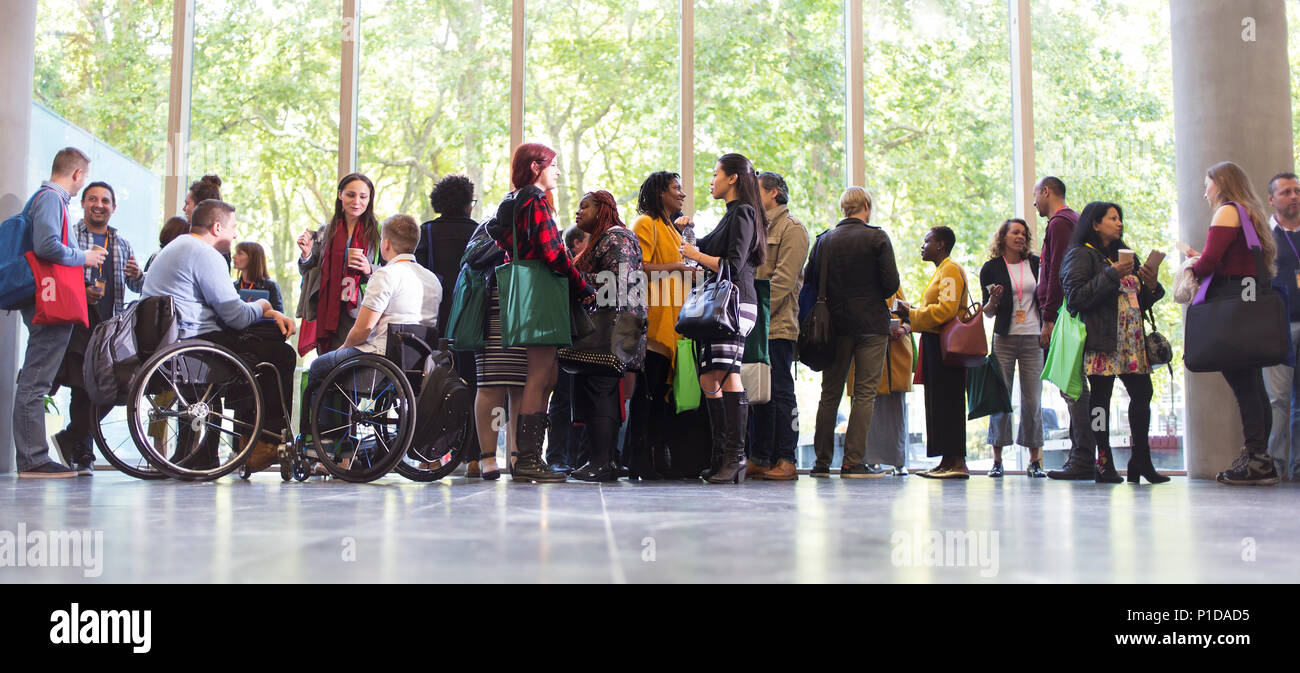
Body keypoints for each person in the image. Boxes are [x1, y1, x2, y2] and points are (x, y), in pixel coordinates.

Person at [141, 199, 297, 473]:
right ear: (216, 227)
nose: (235, 234)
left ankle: (224, 448)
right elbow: (235, 315)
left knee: (254, 340)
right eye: (232, 228)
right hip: (197, 345)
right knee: (279, 353)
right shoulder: (204, 253)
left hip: (170, 342)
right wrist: (264, 307)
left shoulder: (175, 247)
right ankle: (265, 440)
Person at [487, 143, 596, 483]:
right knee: (539, 374)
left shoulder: (511, 200)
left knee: (545, 374)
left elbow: (500, 235)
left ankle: (528, 457)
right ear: (536, 167)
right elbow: (554, 254)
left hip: (528, 294)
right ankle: (528, 460)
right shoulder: (534, 200)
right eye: (553, 165)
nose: (558, 172)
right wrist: (583, 287)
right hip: (542, 293)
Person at [12, 148, 108, 478]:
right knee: (36, 382)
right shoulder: (52, 198)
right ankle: (33, 459)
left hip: (40, 296)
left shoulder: (45, 198)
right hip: (46, 298)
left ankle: (33, 457)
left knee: (35, 380)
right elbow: (48, 246)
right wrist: (86, 257)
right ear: (78, 175)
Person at [1061, 201, 1166, 484]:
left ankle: (1140, 460)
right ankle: (1104, 461)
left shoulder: (1126, 255)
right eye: (1112, 218)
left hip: (1132, 341)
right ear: (1095, 224)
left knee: (1143, 394)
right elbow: (1076, 298)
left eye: (1120, 218)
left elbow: (1141, 301)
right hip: (1102, 339)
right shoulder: (1081, 255)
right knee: (1100, 403)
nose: (1119, 223)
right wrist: (1112, 273)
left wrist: (1152, 284)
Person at [302, 214, 440, 430]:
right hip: (419, 362)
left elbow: (363, 329)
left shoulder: (386, 275)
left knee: (320, 366)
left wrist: (342, 351)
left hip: (382, 359)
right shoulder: (433, 280)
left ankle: (329, 440)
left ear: (385, 244)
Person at [1190, 162, 1280, 486]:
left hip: (1232, 304)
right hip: (1249, 300)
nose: (1204, 191)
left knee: (1245, 386)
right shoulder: (1249, 214)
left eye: (1207, 184)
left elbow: (1210, 262)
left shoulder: (1227, 211)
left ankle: (1257, 459)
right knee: (1253, 383)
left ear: (1221, 183)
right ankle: (1260, 456)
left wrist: (1192, 262)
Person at [680, 153, 767, 484]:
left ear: (732, 178)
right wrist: (690, 237)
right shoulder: (733, 215)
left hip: (734, 304)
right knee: (710, 379)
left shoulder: (743, 213)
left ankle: (734, 458)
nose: (711, 180)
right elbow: (705, 254)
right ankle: (724, 459)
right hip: (725, 305)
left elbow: (731, 263)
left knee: (726, 375)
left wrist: (695, 253)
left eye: (715, 174)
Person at [52, 181, 144, 474]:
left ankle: (72, 437)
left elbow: (137, 285)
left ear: (113, 208)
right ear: (84, 204)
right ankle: (83, 454)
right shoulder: (70, 235)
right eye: (93, 198)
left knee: (113, 388)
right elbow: (58, 273)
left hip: (111, 329)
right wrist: (82, 289)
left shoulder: (121, 242)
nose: (99, 204)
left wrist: (138, 274)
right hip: (78, 323)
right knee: (81, 388)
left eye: (105, 200)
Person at [806, 186, 898, 478]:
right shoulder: (877, 237)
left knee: (829, 394)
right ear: (866, 208)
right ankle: (852, 463)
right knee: (864, 395)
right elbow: (890, 285)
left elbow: (808, 283)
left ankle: (821, 463)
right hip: (871, 326)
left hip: (834, 327)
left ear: (844, 209)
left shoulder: (824, 241)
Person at [568, 191, 648, 481]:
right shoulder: (604, 239)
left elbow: (619, 283)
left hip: (614, 329)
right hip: (610, 328)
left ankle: (601, 463)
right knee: (601, 391)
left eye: (584, 206)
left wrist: (575, 279)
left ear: (603, 209)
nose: (578, 212)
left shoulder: (617, 237)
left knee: (600, 390)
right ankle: (604, 460)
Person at [625, 171, 691, 480]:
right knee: (647, 393)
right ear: (660, 193)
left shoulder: (671, 229)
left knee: (661, 394)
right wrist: (675, 266)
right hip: (653, 323)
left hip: (672, 322)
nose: (682, 194)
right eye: (676, 188)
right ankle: (637, 457)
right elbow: (638, 268)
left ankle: (654, 456)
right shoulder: (645, 224)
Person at [893, 226, 969, 479]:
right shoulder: (941, 271)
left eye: (927, 241)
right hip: (936, 343)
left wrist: (911, 314)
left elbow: (946, 309)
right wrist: (912, 310)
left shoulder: (949, 270)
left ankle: (957, 461)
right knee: (938, 403)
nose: (922, 246)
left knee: (948, 402)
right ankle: (947, 460)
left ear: (941, 245)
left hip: (945, 346)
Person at [749, 171, 810, 480]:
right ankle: (760, 457)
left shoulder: (793, 229)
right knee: (758, 394)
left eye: (756, 190)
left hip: (778, 326)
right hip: (754, 325)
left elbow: (783, 282)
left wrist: (755, 314)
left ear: (774, 193)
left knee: (781, 392)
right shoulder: (756, 227)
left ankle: (786, 459)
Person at [1034, 176, 1095, 480]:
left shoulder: (1059, 224)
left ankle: (1082, 456)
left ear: (1046, 191)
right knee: (1073, 386)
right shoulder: (1074, 221)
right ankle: (1082, 454)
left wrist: (1048, 318)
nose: (1034, 203)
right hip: (1068, 311)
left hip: (1062, 314)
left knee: (1071, 386)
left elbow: (1057, 272)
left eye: (1036, 195)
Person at [979, 218, 1046, 477]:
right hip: (1004, 339)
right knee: (1000, 399)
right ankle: (997, 461)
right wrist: (993, 300)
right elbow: (987, 313)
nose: (1020, 236)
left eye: (1024, 233)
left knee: (1033, 400)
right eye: (1015, 232)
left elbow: (1048, 298)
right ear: (1003, 237)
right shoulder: (991, 268)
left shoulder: (1037, 264)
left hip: (1034, 339)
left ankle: (1035, 461)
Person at [297, 173, 382, 354]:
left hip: (361, 310)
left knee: (353, 366)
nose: (356, 201)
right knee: (329, 362)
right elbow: (308, 269)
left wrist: (369, 269)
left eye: (363, 197)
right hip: (329, 307)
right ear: (340, 195)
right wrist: (306, 254)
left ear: (369, 199)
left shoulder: (378, 232)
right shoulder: (327, 230)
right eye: (351, 195)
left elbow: (392, 272)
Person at [545, 225, 592, 473]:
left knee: (576, 398)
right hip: (566, 334)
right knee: (562, 398)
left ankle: (572, 456)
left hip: (580, 335)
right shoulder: (566, 265)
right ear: (575, 243)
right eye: (588, 240)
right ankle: (556, 456)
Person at [1263, 172, 1300, 481]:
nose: (1294, 196)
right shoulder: (1265, 238)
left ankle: (1299, 467)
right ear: (1272, 199)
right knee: (1278, 401)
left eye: (1297, 190)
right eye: (1286, 191)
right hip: (1278, 327)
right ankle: (1276, 466)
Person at [415, 174, 479, 331]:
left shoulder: (426, 231)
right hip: (470, 310)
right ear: (467, 204)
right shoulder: (479, 232)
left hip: (435, 310)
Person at [865, 288, 912, 474]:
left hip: (895, 358)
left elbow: (910, 318)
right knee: (868, 409)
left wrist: (901, 329)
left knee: (895, 412)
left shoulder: (895, 288)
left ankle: (898, 461)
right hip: (869, 356)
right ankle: (869, 460)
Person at [232, 241, 283, 313]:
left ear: (253, 258)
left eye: (240, 254)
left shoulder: (270, 286)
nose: (234, 256)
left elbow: (279, 317)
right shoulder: (233, 287)